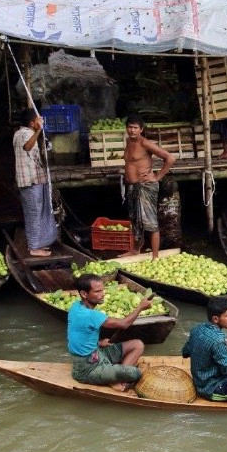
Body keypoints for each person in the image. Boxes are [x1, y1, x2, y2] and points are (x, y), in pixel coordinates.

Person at [67, 273, 153, 390]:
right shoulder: (90, 315)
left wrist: (99, 343)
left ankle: (115, 377)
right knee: (136, 373)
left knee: (138, 345)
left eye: (102, 290)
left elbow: (78, 334)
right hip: (86, 368)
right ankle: (114, 378)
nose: (102, 294)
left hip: (97, 354)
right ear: (83, 294)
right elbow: (124, 324)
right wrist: (140, 307)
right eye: (97, 292)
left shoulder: (76, 306)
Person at [124, 114, 176, 259]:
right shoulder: (128, 141)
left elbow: (170, 158)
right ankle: (136, 249)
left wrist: (157, 176)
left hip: (146, 186)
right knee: (135, 220)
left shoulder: (144, 143)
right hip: (133, 186)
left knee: (150, 222)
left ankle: (155, 256)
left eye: (135, 128)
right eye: (130, 127)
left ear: (141, 129)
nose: (132, 130)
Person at [13, 109, 58, 257]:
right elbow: (27, 146)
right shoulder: (25, 134)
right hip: (30, 182)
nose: (40, 121)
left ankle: (38, 244)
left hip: (34, 180)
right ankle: (33, 247)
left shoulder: (22, 133)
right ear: (32, 123)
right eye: (38, 120)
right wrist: (38, 131)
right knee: (34, 213)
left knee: (38, 212)